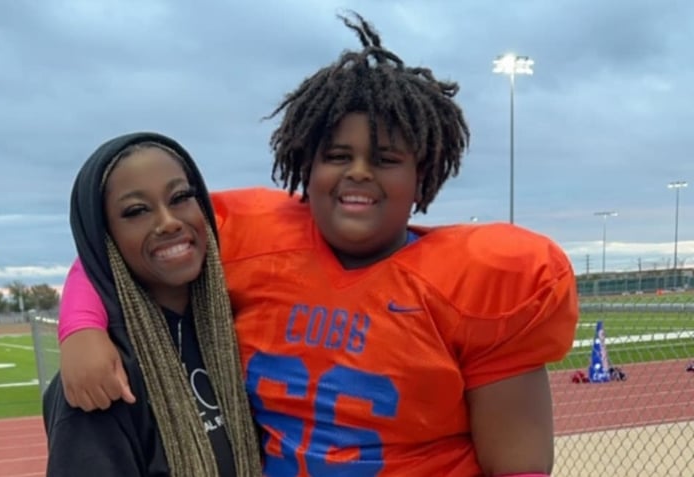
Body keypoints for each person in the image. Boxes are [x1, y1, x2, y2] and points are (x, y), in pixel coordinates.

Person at [55, 12, 578, 477]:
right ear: (306, 165)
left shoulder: (481, 278)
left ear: (424, 177)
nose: (358, 173)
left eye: (386, 158)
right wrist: (81, 330)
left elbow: (519, 467)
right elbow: (123, 245)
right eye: (337, 155)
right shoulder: (252, 232)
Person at [41, 132, 263, 477]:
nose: (169, 221)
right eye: (136, 211)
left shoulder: (245, 329)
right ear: (104, 238)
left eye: (180, 197)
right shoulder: (103, 379)